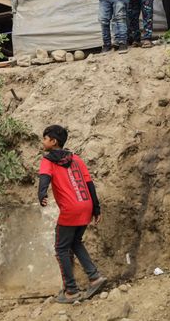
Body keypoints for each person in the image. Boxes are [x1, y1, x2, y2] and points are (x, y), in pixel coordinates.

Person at [38, 125, 106, 304]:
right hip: (86, 205)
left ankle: (71, 291)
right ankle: (94, 277)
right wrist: (96, 208)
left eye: (45, 138)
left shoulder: (48, 161)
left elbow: (44, 178)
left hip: (70, 209)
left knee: (61, 248)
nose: (43, 141)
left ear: (53, 142)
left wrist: (42, 194)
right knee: (75, 242)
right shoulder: (76, 158)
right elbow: (89, 184)